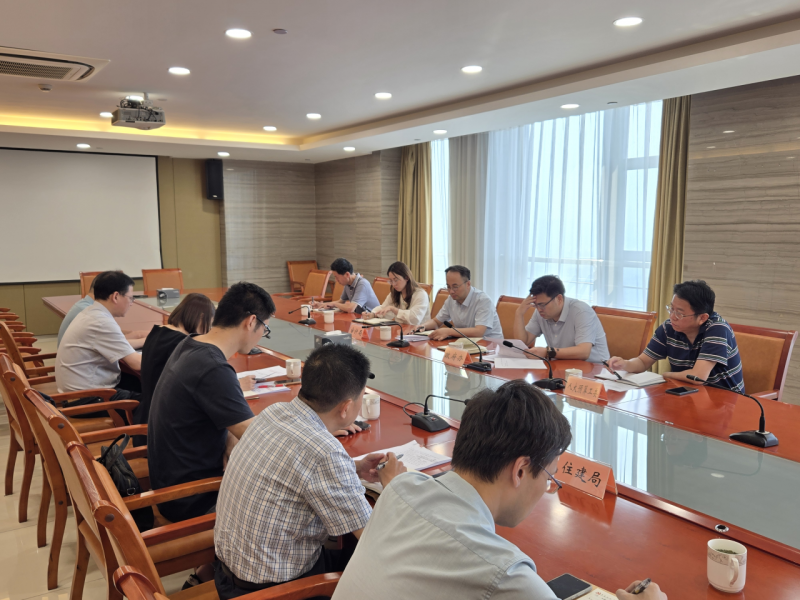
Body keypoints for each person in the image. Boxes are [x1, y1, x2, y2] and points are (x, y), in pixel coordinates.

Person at [331, 380, 667, 600]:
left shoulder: (402, 488)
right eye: (548, 477)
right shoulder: (506, 575)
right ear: (520, 470)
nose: (546, 488)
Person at [214, 344, 406, 600]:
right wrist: (395, 486)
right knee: (388, 570)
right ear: (346, 407)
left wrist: (356, 468)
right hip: (273, 592)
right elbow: (375, 539)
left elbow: (298, 468)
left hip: (228, 574)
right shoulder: (324, 452)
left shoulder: (274, 412)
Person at [147, 282, 275, 523]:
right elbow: (260, 440)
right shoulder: (213, 367)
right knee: (292, 503)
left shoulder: (190, 344)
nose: (262, 335)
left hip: (172, 485)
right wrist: (320, 427)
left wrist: (230, 436)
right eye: (265, 328)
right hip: (194, 500)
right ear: (251, 322)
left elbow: (233, 424)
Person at [134, 293, 249, 446]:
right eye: (210, 323)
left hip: (147, 417)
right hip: (166, 432)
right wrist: (238, 385)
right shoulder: (182, 344)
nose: (209, 330)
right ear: (201, 318)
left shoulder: (158, 331)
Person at [608, 280, 744, 392]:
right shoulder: (668, 328)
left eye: (679, 313)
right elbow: (643, 362)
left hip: (727, 401)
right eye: (671, 309)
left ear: (702, 317)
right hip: (687, 393)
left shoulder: (717, 328)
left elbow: (698, 377)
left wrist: (666, 375)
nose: (672, 316)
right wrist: (625, 364)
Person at [55, 270, 146, 396]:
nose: (132, 303)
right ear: (115, 296)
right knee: (156, 401)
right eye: (130, 298)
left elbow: (120, 344)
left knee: (142, 384)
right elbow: (137, 363)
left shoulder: (91, 312)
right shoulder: (101, 322)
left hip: (81, 389)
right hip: (87, 398)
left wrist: (147, 340)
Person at [513, 275, 609, 363]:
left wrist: (547, 352)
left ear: (559, 299)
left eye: (542, 305)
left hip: (596, 369)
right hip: (562, 366)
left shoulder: (581, 311)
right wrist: (519, 313)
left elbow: (584, 352)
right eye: (536, 305)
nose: (539, 309)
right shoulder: (541, 312)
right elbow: (522, 342)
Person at [416, 265, 502, 340]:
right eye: (448, 287)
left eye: (455, 286)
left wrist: (449, 331)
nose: (451, 291)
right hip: (465, 345)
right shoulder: (450, 300)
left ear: (468, 284)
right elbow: (436, 322)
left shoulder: (483, 300)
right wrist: (423, 326)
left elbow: (479, 332)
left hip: (490, 347)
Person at [364, 261, 431, 326]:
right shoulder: (395, 293)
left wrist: (394, 309)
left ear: (406, 278)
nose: (393, 284)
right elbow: (384, 308)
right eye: (391, 281)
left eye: (396, 280)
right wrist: (372, 314)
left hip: (420, 331)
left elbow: (414, 319)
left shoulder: (421, 294)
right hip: (402, 329)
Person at [313, 257, 379, 313]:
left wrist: (334, 304)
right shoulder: (348, 283)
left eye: (337, 277)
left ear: (347, 274)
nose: (336, 280)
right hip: (359, 318)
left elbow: (350, 308)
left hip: (373, 319)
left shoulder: (362, 284)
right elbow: (341, 301)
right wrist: (321, 304)